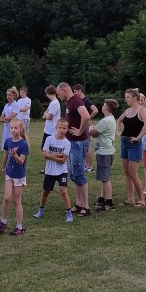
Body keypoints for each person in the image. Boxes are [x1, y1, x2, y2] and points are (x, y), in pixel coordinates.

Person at [32, 118, 74, 223]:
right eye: (60, 127)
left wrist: (51, 156)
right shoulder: (49, 139)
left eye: (64, 128)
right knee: (45, 192)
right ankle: (40, 210)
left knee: (63, 191)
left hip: (62, 171)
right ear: (56, 128)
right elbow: (45, 155)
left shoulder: (67, 143)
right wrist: (58, 155)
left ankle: (69, 213)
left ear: (67, 129)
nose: (62, 130)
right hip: (50, 171)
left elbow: (63, 160)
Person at [58, 81, 91, 215]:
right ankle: (78, 203)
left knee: (79, 174)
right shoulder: (69, 102)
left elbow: (86, 116)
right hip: (71, 142)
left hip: (78, 143)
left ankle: (86, 206)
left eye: (59, 93)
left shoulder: (76, 101)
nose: (59, 96)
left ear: (64, 90)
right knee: (74, 174)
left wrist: (80, 131)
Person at [117, 88, 146, 206]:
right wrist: (119, 131)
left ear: (135, 98)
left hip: (134, 144)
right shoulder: (127, 110)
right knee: (127, 173)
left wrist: (138, 137)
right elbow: (119, 120)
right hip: (124, 142)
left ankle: (141, 199)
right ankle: (130, 198)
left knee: (133, 173)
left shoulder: (141, 110)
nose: (126, 99)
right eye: (125, 97)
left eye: (128, 97)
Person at [0, 118, 30, 235]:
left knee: (17, 201)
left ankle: (19, 227)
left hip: (19, 176)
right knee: (6, 198)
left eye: (16, 128)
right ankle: (3, 221)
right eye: (11, 128)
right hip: (9, 173)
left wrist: (15, 155)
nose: (13, 130)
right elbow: (5, 156)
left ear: (21, 129)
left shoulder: (24, 144)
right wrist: (3, 167)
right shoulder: (8, 141)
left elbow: (21, 161)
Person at [93, 99, 118, 212]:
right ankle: (102, 198)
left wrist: (90, 128)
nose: (102, 106)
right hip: (108, 151)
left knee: (105, 178)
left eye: (104, 105)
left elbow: (94, 133)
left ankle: (109, 202)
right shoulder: (111, 119)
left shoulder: (105, 120)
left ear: (107, 108)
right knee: (104, 177)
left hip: (104, 152)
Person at [42, 85, 60, 151]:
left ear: (48, 93)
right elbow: (46, 113)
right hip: (49, 129)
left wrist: (46, 114)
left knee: (47, 149)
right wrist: (46, 114)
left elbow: (48, 116)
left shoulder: (54, 103)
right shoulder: (53, 102)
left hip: (51, 130)